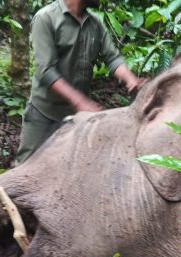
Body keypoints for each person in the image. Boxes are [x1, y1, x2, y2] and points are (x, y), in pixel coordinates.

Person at [16, 0, 144, 164]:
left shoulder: (95, 23)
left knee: (69, 167)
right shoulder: (46, 18)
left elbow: (112, 58)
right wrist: (79, 101)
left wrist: (131, 79)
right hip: (45, 114)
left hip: (76, 118)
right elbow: (46, 71)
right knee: (26, 167)